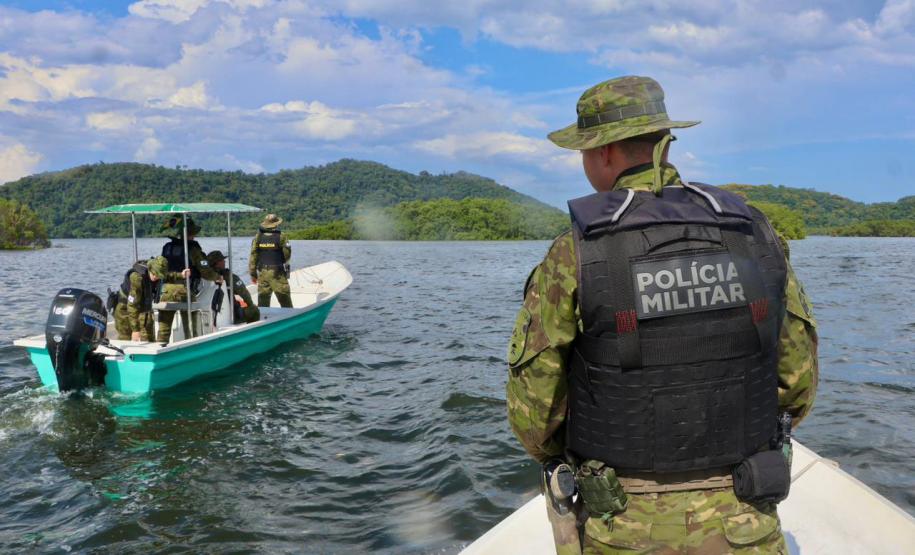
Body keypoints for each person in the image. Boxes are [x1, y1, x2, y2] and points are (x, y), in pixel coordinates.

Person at [506, 76, 819, 554]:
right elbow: (798, 383)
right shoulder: (754, 233)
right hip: (746, 513)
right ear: (664, 143)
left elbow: (536, 413)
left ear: (603, 152)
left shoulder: (575, 252)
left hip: (623, 524)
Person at [157, 216, 223, 343]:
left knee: (164, 329)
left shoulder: (167, 248)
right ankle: (193, 348)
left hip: (165, 291)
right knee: (191, 329)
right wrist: (218, 277)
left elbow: (162, 268)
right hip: (185, 291)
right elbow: (205, 271)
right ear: (190, 233)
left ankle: (161, 348)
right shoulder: (193, 249)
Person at [113, 255, 171, 342]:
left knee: (149, 340)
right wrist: (135, 330)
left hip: (142, 310)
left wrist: (181, 275)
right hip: (125, 310)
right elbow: (132, 306)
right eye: (154, 274)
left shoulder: (158, 274)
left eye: (159, 276)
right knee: (126, 340)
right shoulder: (137, 278)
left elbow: (170, 276)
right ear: (150, 269)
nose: (156, 277)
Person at [249, 213, 293, 308]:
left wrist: (253, 274)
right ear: (276, 224)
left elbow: (253, 256)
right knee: (285, 301)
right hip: (277, 273)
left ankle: (263, 319)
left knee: (263, 302)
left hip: (262, 273)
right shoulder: (282, 236)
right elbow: (287, 254)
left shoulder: (258, 237)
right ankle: (290, 319)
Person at [206, 250, 260, 324]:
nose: (224, 262)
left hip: (210, 313)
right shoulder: (228, 277)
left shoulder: (205, 277)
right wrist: (250, 304)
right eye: (222, 260)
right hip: (230, 314)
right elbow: (244, 293)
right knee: (254, 311)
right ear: (217, 263)